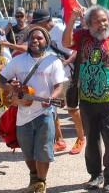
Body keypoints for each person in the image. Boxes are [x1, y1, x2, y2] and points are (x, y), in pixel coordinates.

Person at [62, 5, 109, 193]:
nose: (102, 23)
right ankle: (95, 175)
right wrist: (72, 18)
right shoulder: (82, 37)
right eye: (97, 21)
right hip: (87, 100)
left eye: (104, 20)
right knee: (92, 139)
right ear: (89, 24)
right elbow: (65, 42)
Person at [0, 27, 65, 193]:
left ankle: (41, 183)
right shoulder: (18, 61)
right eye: (32, 38)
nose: (35, 40)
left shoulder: (53, 61)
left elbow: (59, 86)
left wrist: (51, 97)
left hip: (45, 113)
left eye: (39, 38)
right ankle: (34, 177)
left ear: (46, 42)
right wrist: (10, 89)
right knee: (28, 152)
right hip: (23, 114)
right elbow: (1, 79)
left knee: (43, 150)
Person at [31, 9, 86, 155]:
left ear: (44, 22)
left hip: (68, 76)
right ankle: (59, 140)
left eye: (37, 24)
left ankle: (81, 138)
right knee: (52, 109)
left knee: (73, 110)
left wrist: (67, 61)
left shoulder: (60, 29)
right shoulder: (41, 35)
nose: (35, 27)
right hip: (51, 77)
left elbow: (76, 49)